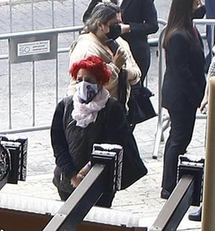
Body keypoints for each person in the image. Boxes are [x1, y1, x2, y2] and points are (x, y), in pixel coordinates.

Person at [50, 56, 146, 203]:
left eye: (89, 80)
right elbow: (58, 145)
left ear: (100, 82)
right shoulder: (65, 106)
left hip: (101, 183)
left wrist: (87, 170)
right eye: (79, 79)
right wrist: (72, 175)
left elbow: (113, 144)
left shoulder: (111, 108)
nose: (83, 84)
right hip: (67, 183)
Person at [86, 0, 158, 124]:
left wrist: (128, 28)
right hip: (109, 51)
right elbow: (88, 16)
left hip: (135, 51)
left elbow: (152, 25)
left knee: (130, 98)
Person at [158, 0, 208, 200]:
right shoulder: (178, 35)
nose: (201, 7)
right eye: (197, 4)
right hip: (181, 96)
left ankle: (170, 181)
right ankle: (169, 185)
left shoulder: (189, 30)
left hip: (183, 93)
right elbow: (183, 72)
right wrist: (198, 97)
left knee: (177, 137)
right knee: (179, 138)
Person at [69, 0, 141, 104]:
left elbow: (135, 69)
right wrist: (115, 67)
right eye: (114, 24)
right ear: (100, 25)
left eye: (120, 22)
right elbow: (87, 89)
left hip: (117, 108)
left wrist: (130, 74)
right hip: (94, 112)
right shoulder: (86, 50)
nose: (119, 27)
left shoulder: (119, 42)